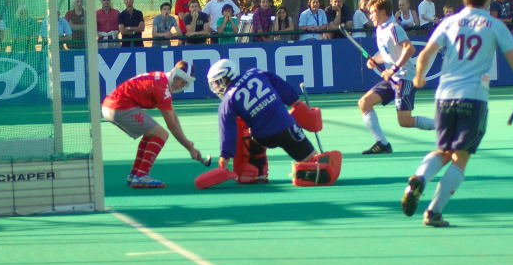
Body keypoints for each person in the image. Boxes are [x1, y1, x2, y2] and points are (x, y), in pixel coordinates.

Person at [401, 0, 513, 227]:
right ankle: (434, 211)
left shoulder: (450, 22)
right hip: (474, 97)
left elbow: (424, 55)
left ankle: (420, 177)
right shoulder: (495, 25)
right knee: (461, 157)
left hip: (445, 96)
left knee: (443, 150)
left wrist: (419, 78)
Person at [207, 58, 338, 185]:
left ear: (229, 75)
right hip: (287, 127)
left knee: (245, 130)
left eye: (219, 82)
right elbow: (283, 88)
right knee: (310, 158)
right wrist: (297, 104)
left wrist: (224, 158)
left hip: (264, 137)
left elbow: (228, 133)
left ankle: (255, 172)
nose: (217, 87)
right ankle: (312, 167)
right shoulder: (256, 73)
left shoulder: (227, 102)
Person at [101, 60, 204, 188]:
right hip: (118, 107)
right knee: (162, 134)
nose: (181, 84)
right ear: (174, 74)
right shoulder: (161, 88)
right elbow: (171, 125)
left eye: (185, 82)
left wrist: (188, 143)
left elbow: (173, 116)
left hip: (112, 106)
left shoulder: (162, 80)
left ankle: (135, 174)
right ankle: (141, 176)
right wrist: (189, 147)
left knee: (151, 133)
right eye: (180, 79)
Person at [358, 0, 435, 154]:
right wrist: (375, 60)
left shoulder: (394, 28)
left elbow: (409, 49)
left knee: (405, 121)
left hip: (405, 77)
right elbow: (387, 54)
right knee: (364, 103)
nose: (370, 16)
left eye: (373, 12)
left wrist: (392, 69)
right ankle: (382, 143)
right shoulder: (379, 30)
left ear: (383, 12)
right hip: (392, 78)